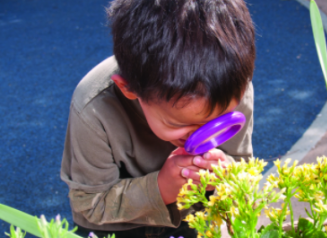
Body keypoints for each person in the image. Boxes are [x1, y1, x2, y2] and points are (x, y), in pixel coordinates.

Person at [60, 0, 255, 237]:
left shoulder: (231, 89)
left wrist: (228, 176)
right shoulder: (93, 108)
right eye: (180, 124)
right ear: (128, 88)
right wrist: (161, 189)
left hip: (189, 215)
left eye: (217, 122)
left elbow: (244, 170)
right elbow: (90, 204)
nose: (200, 136)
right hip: (116, 226)